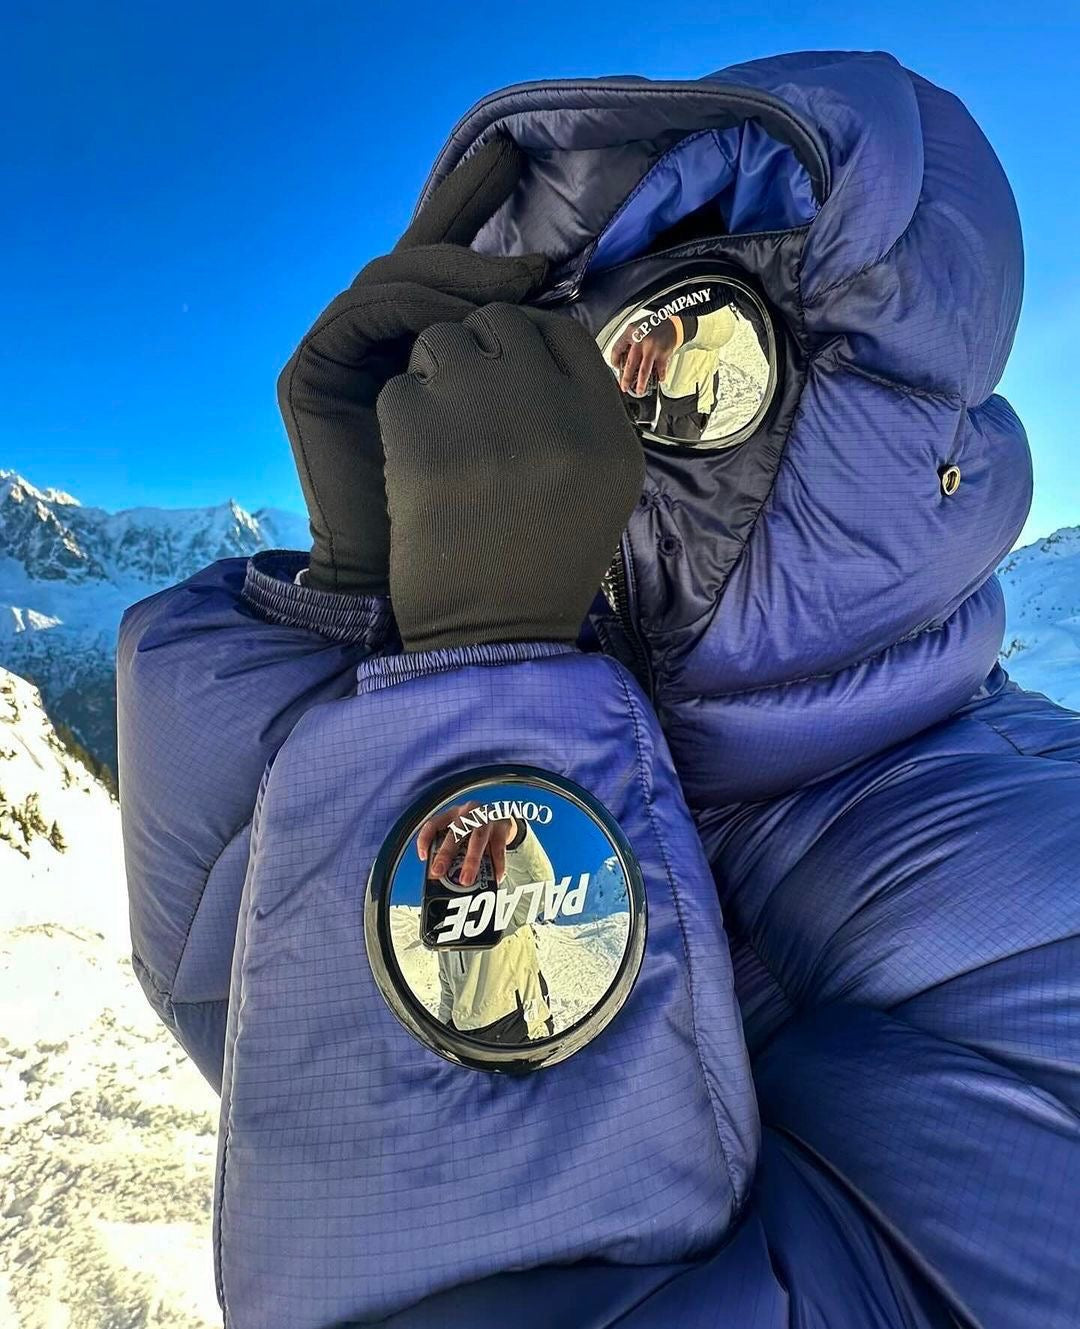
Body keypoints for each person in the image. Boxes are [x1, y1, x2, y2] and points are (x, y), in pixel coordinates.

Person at [117, 49, 1080, 1329]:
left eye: (689, 359)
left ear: (877, 415)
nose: (593, 429)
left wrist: (481, 709)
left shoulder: (1049, 892)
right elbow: (261, 1037)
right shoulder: (587, 694)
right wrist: (369, 611)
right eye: (555, 367)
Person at [418, 801, 556, 1043]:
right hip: (464, 1035)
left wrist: (512, 833)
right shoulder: (446, 922)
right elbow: (448, 989)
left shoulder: (504, 898)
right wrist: (442, 1034)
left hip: (517, 1024)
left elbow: (541, 889)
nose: (458, 866)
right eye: (450, 860)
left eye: (465, 852)